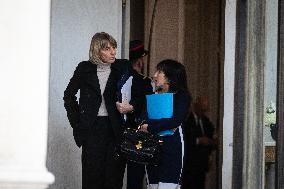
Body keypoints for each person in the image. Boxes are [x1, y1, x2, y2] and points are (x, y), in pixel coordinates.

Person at [63, 32, 127, 189]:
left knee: (113, 178)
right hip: (91, 128)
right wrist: (78, 123)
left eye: (114, 47)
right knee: (92, 177)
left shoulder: (121, 67)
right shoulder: (84, 68)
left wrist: (131, 107)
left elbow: (138, 90)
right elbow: (68, 96)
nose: (113, 52)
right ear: (97, 50)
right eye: (107, 48)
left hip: (114, 129)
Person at [138, 59, 191, 189]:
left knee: (168, 186)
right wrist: (151, 124)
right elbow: (142, 118)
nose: (154, 75)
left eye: (159, 72)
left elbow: (175, 121)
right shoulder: (152, 95)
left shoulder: (181, 96)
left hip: (173, 146)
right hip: (151, 146)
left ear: (170, 77)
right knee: (152, 185)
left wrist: (150, 126)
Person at [116, 40, 153, 189]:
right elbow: (148, 105)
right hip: (137, 136)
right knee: (135, 180)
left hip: (118, 133)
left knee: (115, 177)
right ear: (139, 61)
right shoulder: (145, 82)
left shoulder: (116, 78)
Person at [181, 96, 217, 189]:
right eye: (201, 108)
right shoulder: (186, 120)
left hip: (202, 165)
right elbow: (184, 140)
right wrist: (198, 140)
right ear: (196, 105)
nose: (203, 112)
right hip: (189, 166)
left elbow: (212, 138)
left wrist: (212, 144)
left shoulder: (206, 122)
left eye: (205, 110)